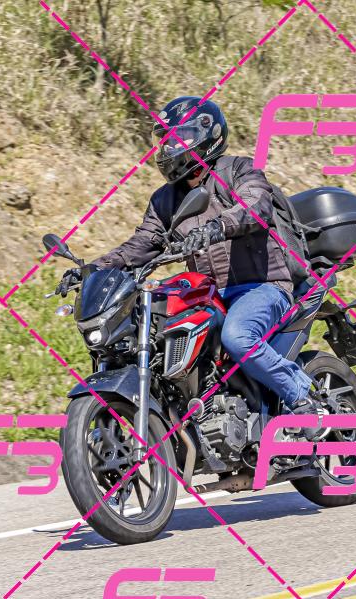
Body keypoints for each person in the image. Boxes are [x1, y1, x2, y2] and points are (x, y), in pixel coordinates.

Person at [56, 96, 328, 437]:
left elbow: (255, 205)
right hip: (208, 293)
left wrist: (217, 227)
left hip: (263, 285)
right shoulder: (165, 199)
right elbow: (143, 243)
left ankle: (304, 398)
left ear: (206, 134)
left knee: (237, 336)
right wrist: (93, 270)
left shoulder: (238, 171)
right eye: (166, 140)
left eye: (179, 137)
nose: (170, 147)